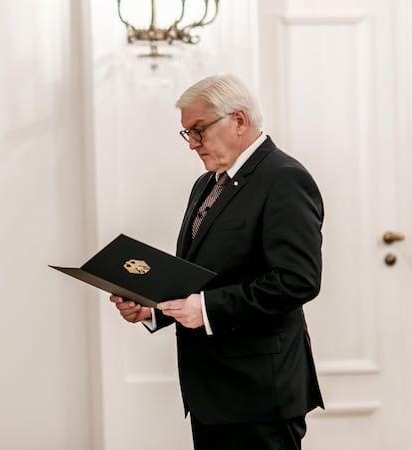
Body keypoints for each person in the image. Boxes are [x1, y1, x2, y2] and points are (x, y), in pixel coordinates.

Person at [110, 74, 324, 450]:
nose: (192, 144)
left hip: (260, 394)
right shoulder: (207, 183)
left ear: (238, 120)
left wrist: (206, 309)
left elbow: (297, 280)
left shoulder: (285, 179)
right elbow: (203, 277)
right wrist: (154, 308)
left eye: (199, 130)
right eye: (187, 134)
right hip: (212, 394)